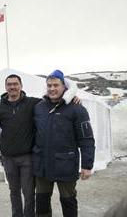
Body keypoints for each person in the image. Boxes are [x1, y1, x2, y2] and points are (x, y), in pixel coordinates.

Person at [0, 74, 78, 217]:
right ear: (6, 87)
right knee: (14, 191)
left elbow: (54, 100)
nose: (12, 87)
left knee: (29, 193)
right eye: (9, 84)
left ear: (21, 86)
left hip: (27, 158)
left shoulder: (33, 103)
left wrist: (71, 98)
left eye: (15, 84)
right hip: (8, 158)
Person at [33, 70, 95, 217]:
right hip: (42, 164)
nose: (52, 89)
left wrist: (87, 165)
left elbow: (86, 138)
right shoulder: (39, 107)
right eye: (49, 85)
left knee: (68, 201)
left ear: (64, 87)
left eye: (56, 85)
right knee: (41, 202)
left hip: (66, 164)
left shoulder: (77, 108)